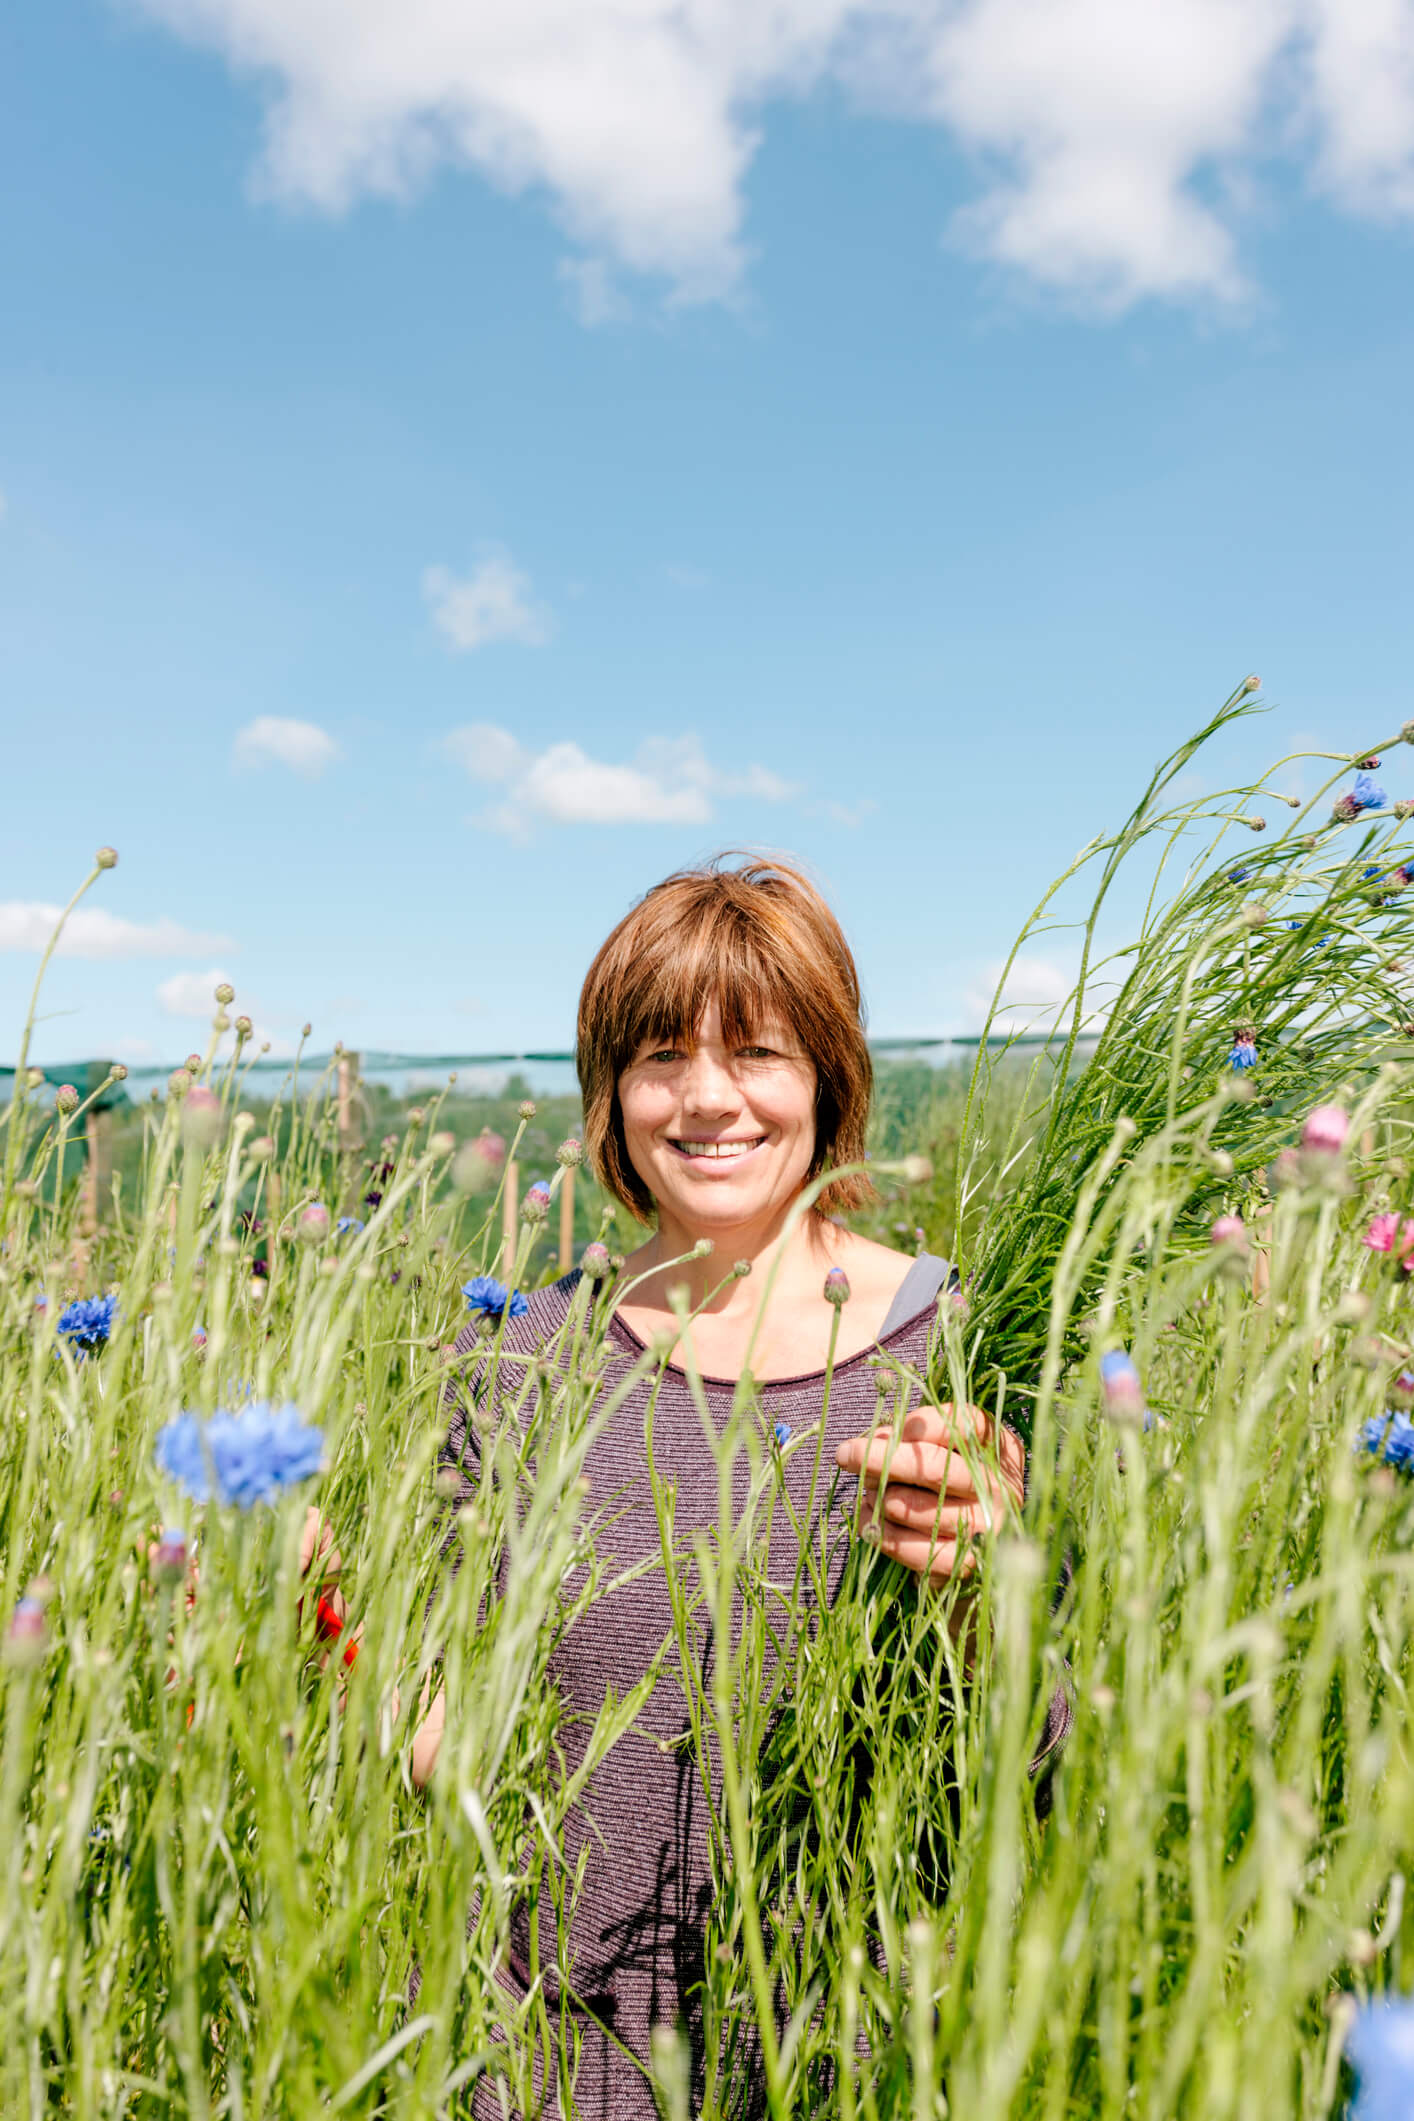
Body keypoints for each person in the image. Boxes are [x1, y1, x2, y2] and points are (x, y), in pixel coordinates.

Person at [414, 854, 1068, 2116]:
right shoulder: (519, 1359)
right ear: (611, 1092)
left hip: (862, 2059)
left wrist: (988, 1594)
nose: (706, 1099)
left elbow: (1060, 1763)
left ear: (830, 1077)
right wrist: (304, 1636)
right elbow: (450, 1734)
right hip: (557, 2066)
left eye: (758, 1052)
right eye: (660, 1055)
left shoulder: (966, 1349)